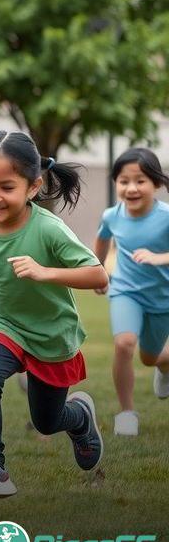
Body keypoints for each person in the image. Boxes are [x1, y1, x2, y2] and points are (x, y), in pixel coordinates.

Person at [0, 130, 108, 500]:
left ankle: (80, 417)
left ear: (33, 187)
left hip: (51, 335)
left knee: (47, 420)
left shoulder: (48, 229)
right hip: (1, 324)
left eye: (6, 187)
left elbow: (98, 273)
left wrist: (45, 272)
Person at [93, 148, 169, 436]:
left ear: (156, 184)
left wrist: (158, 257)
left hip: (162, 298)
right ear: (116, 183)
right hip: (126, 291)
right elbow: (101, 241)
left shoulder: (165, 216)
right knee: (124, 344)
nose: (131, 188)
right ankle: (127, 413)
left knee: (150, 357)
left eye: (140, 181)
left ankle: (164, 366)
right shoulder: (112, 215)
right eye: (124, 181)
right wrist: (98, 271)